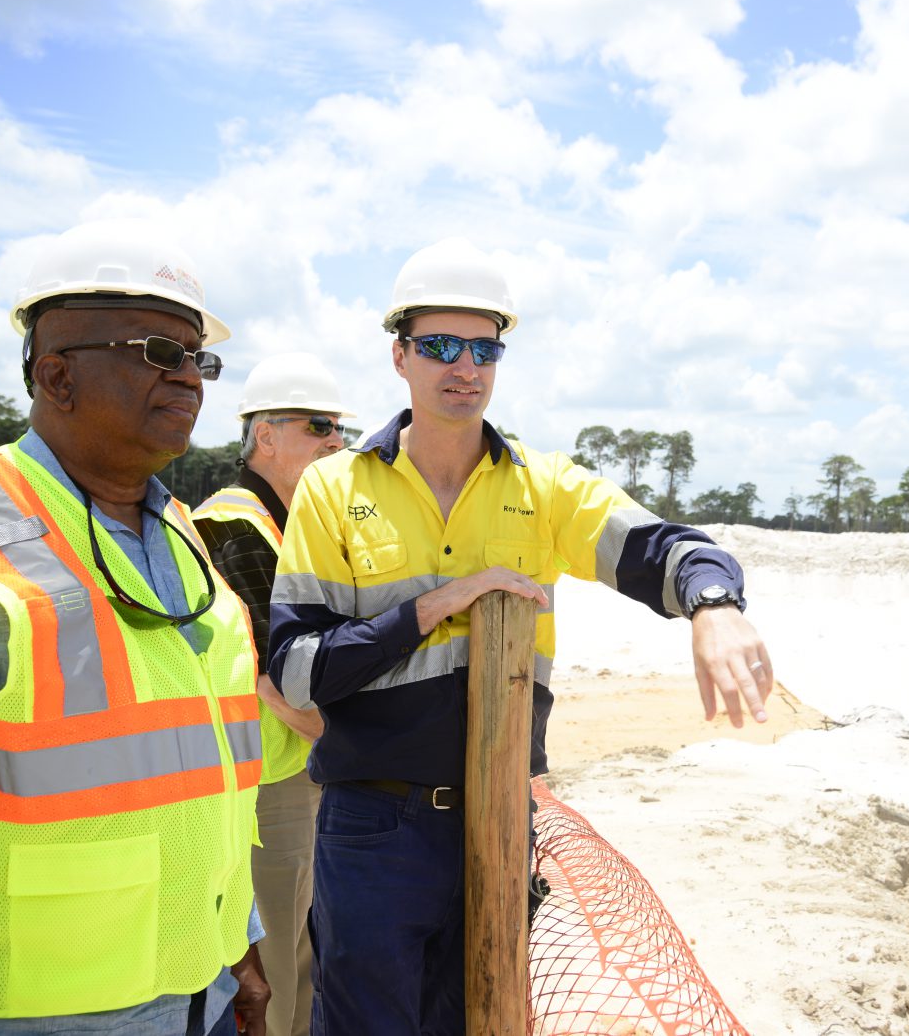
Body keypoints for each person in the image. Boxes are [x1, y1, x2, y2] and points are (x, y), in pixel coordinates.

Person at [267, 238, 775, 1035]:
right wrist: (432, 607)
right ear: (400, 354)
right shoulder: (334, 488)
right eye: (441, 345)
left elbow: (660, 546)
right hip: (371, 828)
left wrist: (714, 604)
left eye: (485, 348)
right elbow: (297, 671)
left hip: (501, 822)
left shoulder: (543, 487)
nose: (465, 366)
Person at [0, 219, 270, 1036]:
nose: (190, 377)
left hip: (197, 994)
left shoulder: (181, 535)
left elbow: (204, 770)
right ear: (56, 375)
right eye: (159, 351)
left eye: (199, 358)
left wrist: (237, 942)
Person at [192, 353, 354, 1036]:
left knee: (309, 951)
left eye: (340, 428)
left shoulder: (289, 523)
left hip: (301, 768)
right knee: (280, 960)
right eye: (319, 425)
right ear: (265, 435)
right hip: (269, 783)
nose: (336, 441)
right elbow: (274, 675)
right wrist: (358, 743)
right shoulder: (233, 526)